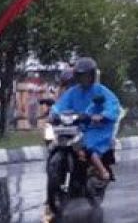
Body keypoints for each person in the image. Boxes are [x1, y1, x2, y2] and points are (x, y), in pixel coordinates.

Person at [50, 57, 121, 186]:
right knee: (56, 143)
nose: (84, 79)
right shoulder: (72, 92)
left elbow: (113, 105)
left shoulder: (100, 91)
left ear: (92, 76)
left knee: (88, 147)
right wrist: (54, 114)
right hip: (77, 127)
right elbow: (60, 105)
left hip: (97, 128)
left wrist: (102, 115)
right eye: (81, 76)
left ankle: (103, 172)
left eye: (87, 76)